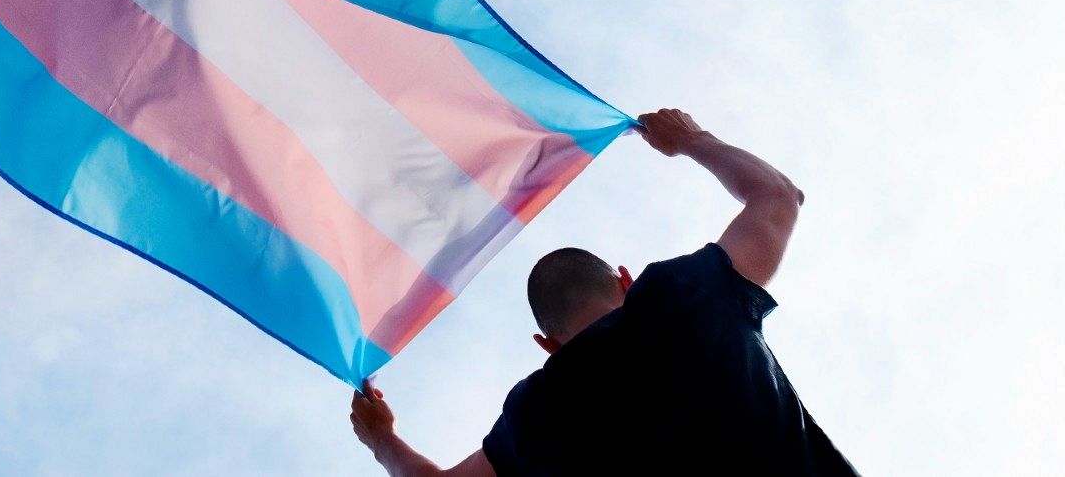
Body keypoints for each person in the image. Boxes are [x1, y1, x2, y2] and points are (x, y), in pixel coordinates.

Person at [348, 109, 858, 475]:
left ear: (548, 345)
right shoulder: (685, 292)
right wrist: (692, 140)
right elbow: (778, 197)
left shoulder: (534, 415)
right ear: (625, 280)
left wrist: (381, 440)